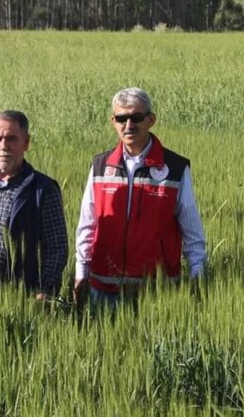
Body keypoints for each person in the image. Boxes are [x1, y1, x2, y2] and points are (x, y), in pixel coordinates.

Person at [74, 87, 206, 317]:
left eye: (136, 117)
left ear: (150, 120)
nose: (128, 125)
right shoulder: (100, 166)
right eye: (121, 118)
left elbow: (191, 229)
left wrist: (197, 274)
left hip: (157, 290)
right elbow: (88, 224)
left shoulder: (174, 168)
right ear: (112, 121)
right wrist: (81, 272)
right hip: (104, 286)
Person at [0, 110, 68, 300]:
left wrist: (46, 290)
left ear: (26, 143)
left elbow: (56, 246)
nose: (3, 146)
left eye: (11, 139)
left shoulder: (43, 189)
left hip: (20, 295)